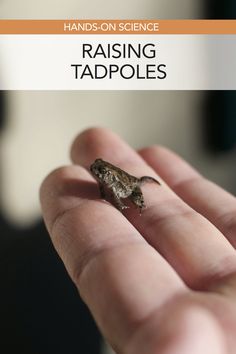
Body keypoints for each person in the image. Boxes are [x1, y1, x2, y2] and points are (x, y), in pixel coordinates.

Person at [40, 127, 236, 354]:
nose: (95, 171)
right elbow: (106, 188)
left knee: (137, 194)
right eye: (97, 169)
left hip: (129, 185)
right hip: (122, 180)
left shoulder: (113, 181)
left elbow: (115, 192)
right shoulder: (105, 178)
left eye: (100, 170)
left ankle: (140, 201)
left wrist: (124, 203)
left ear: (107, 174)